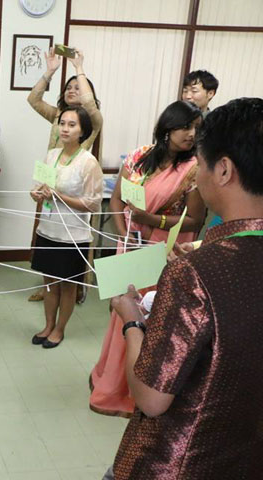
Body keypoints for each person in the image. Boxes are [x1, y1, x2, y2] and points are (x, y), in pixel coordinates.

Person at [107, 97, 263, 479]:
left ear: (223, 170)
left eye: (201, 163)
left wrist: (131, 320)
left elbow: (151, 398)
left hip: (181, 461)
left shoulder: (192, 274)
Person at [89, 100, 206, 417]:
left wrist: (150, 220)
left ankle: (141, 389)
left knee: (152, 315)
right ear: (167, 128)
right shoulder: (139, 156)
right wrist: (125, 234)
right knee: (122, 311)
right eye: (186, 127)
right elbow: (117, 200)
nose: (191, 134)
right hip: (131, 244)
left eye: (196, 128)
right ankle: (112, 380)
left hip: (164, 251)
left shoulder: (194, 168)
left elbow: (195, 220)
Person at [27, 47, 103, 303]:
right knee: (45, 233)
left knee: (73, 239)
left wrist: (79, 68)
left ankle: (75, 287)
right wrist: (50, 71)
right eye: (69, 87)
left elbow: (90, 104)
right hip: (50, 179)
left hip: (74, 184)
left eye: (77, 88)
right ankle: (48, 284)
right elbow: (33, 99)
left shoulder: (92, 119)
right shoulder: (58, 116)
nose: (71, 90)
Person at [29, 106, 103, 348]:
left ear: (83, 131)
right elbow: (39, 186)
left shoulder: (88, 162)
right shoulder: (51, 155)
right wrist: (36, 193)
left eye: (72, 125)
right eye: (62, 123)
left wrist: (59, 196)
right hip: (47, 230)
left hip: (73, 236)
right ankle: (48, 325)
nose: (65, 129)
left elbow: (93, 204)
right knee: (49, 283)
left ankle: (59, 330)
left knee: (68, 286)